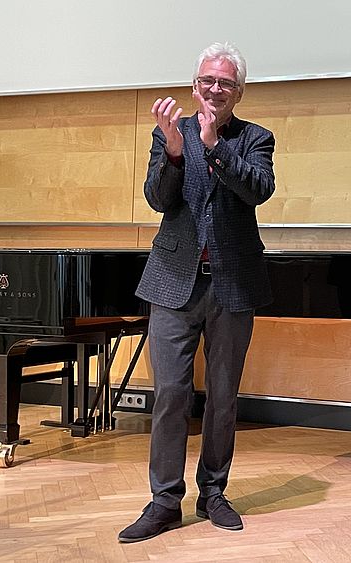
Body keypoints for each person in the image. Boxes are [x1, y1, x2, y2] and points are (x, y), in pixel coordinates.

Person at [118, 41, 275, 543]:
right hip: (172, 284)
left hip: (233, 284)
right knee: (170, 394)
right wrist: (174, 151)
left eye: (226, 82)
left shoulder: (256, 138)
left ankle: (213, 493)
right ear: (194, 85)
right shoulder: (170, 134)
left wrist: (212, 148)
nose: (215, 88)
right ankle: (164, 500)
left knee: (224, 396)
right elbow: (159, 199)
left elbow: (258, 188)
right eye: (208, 80)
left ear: (239, 91)